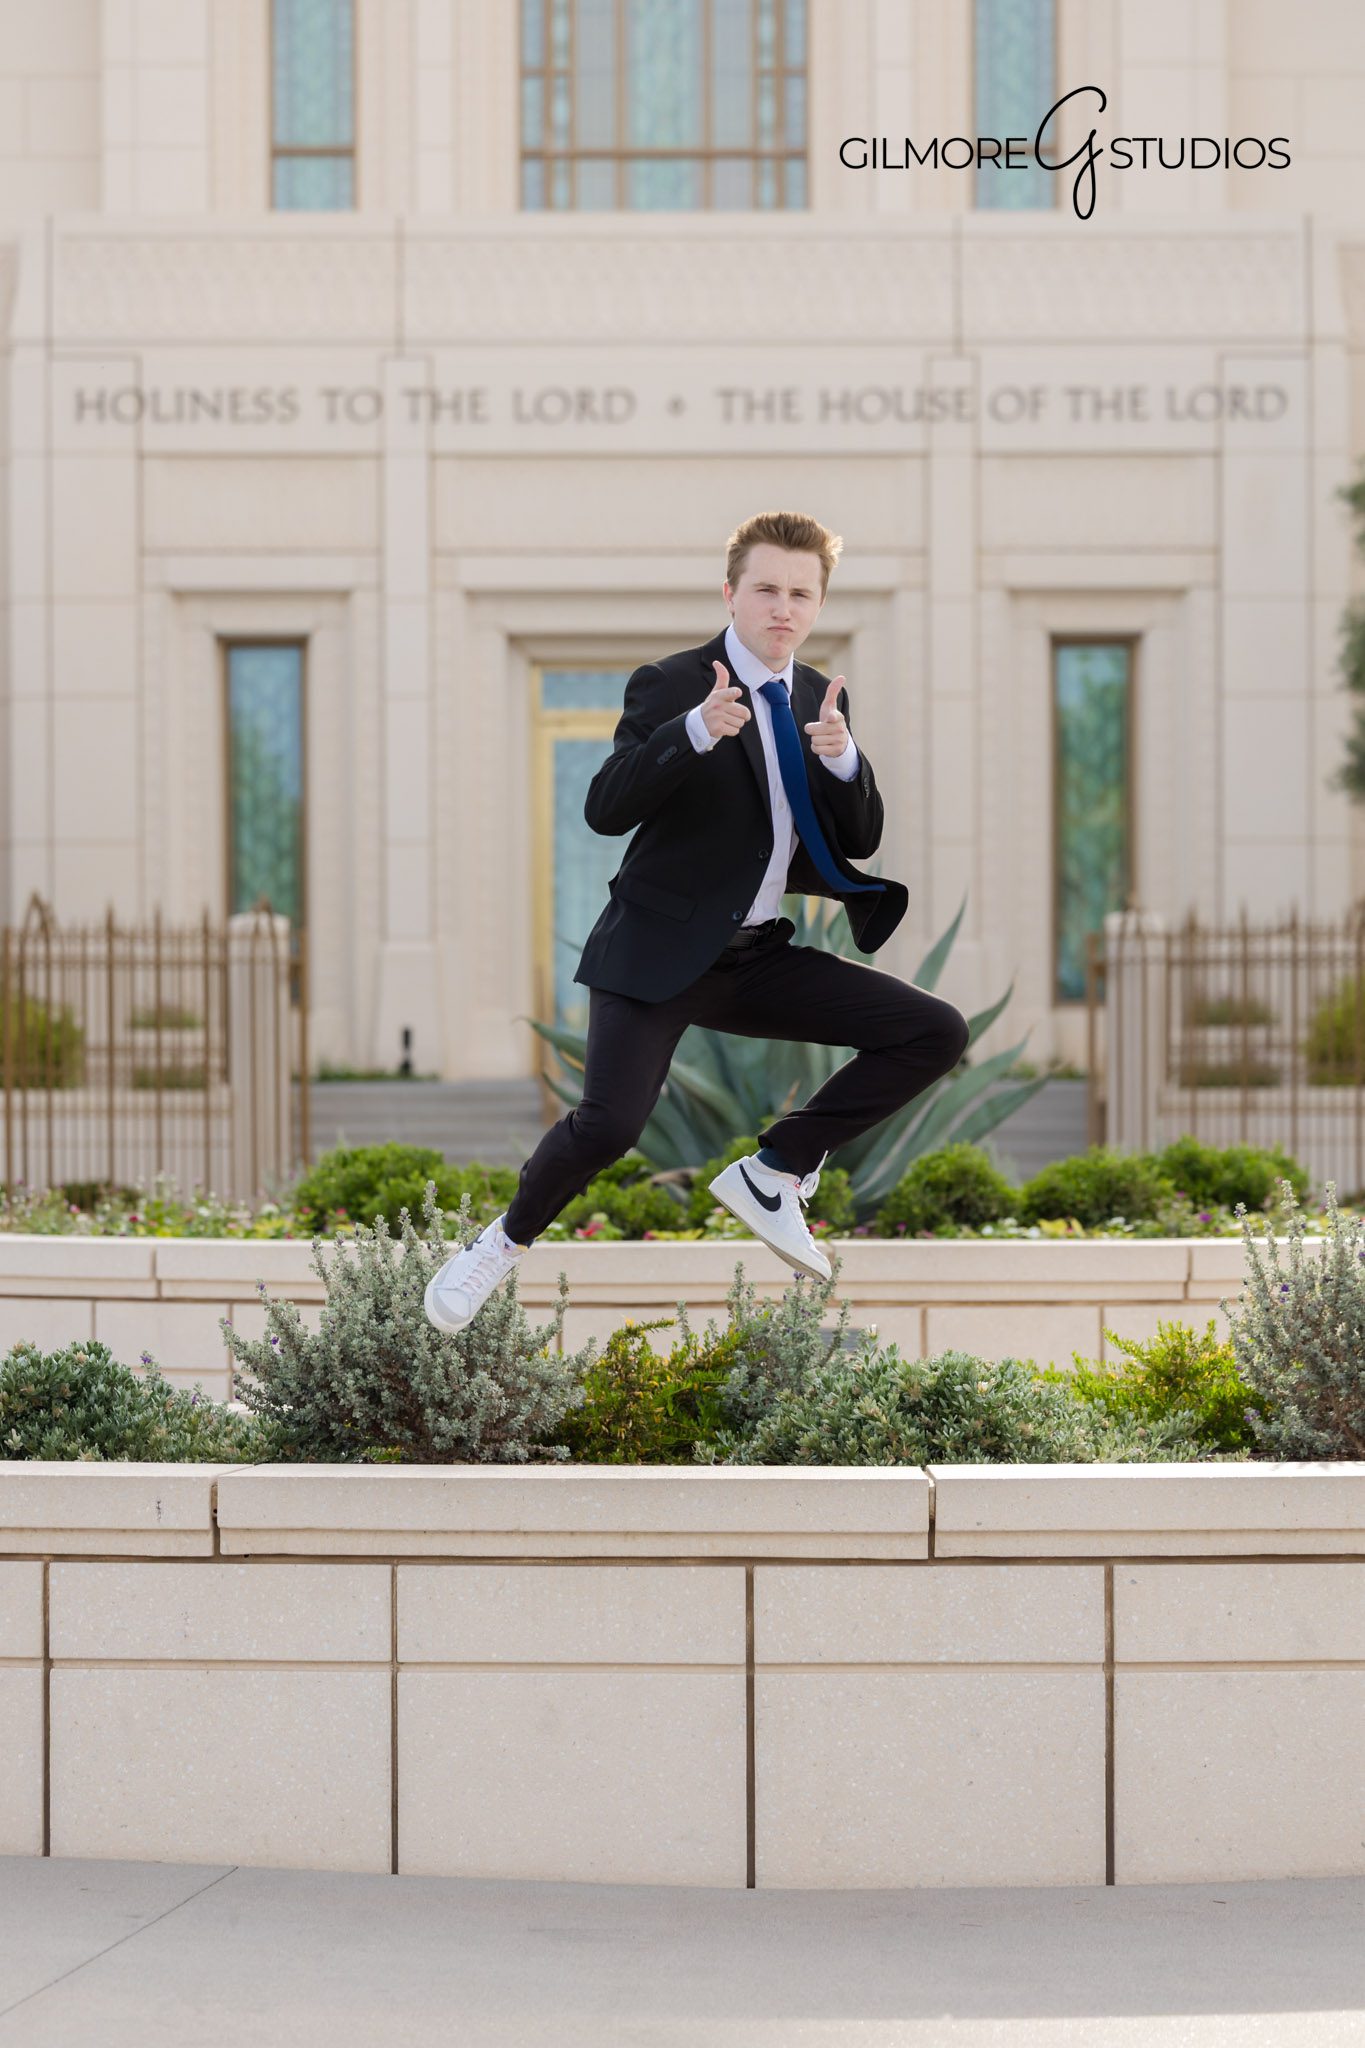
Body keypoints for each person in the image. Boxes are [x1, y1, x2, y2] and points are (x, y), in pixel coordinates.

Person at [424, 509, 970, 1334]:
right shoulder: (675, 684)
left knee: (932, 1030)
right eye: (765, 590)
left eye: (800, 593)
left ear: (817, 604)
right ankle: (496, 1246)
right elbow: (604, 808)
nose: (781, 608)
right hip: (656, 952)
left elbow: (858, 838)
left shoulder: (822, 697)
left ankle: (776, 1167)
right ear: (731, 593)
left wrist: (843, 760)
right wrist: (691, 735)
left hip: (756, 959)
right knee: (608, 1125)